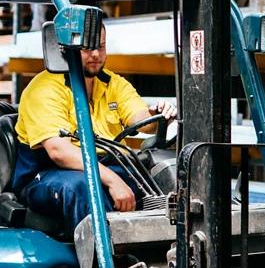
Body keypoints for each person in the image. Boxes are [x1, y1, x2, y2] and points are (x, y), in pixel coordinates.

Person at [11, 25, 177, 230]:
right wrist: (113, 180)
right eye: (87, 48)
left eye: (101, 46)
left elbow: (140, 119)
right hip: (47, 174)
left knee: (160, 182)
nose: (96, 54)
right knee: (83, 188)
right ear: (66, 48)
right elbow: (59, 152)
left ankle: (161, 249)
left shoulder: (112, 83)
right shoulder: (44, 89)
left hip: (103, 166)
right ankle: (107, 259)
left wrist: (158, 115)